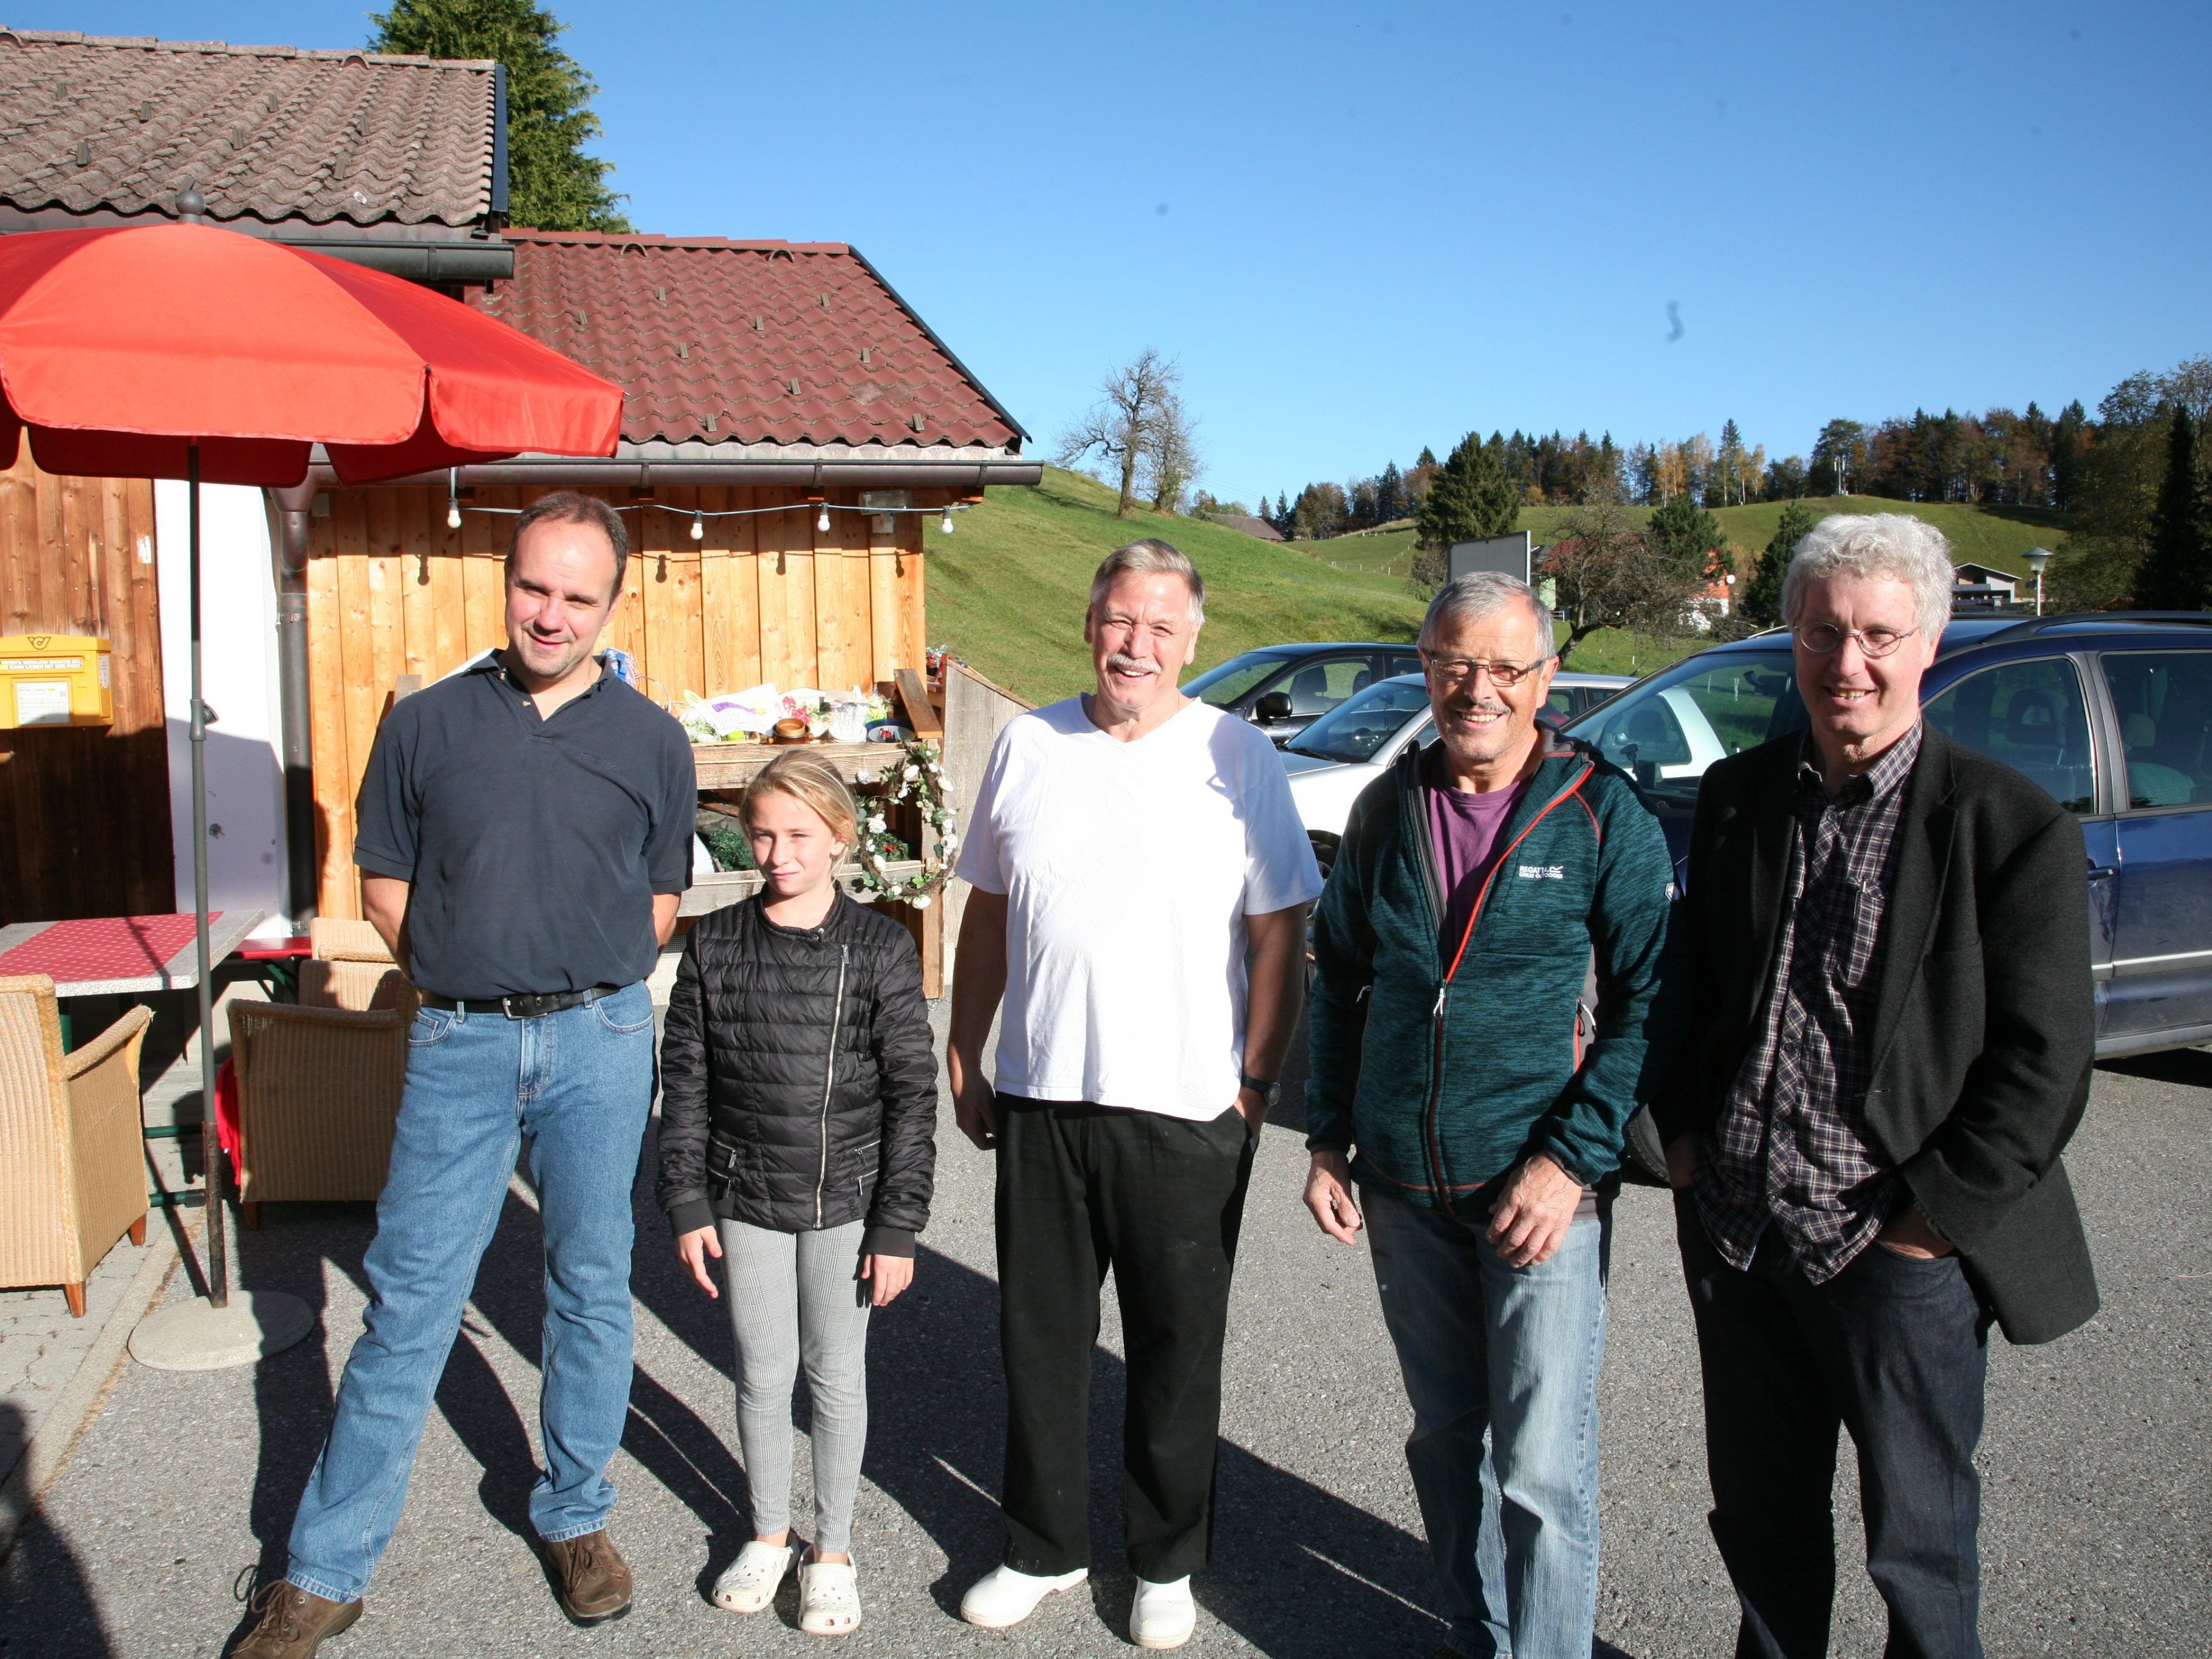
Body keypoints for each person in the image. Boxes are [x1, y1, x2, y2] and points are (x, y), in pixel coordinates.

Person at [235, 492, 697, 1657]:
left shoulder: (651, 740)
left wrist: (585, 982)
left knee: (590, 1288)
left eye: (578, 597)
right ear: (505, 582)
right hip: (460, 1044)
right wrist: (458, 974)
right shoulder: (428, 724)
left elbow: (658, 900)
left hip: (598, 1044)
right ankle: (324, 1570)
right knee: (410, 1306)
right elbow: (383, 878)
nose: (552, 614)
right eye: (534, 587)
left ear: (611, 605)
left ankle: (576, 1515)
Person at [1652, 513, 2098, 1659]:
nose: (1846, 662)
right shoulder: (1742, 796)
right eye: (1820, 632)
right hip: (1742, 1236)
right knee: (1760, 1521)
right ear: (1791, 640)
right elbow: (1687, 987)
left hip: (1897, 1252)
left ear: (1931, 642)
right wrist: (1686, 1146)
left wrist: (1926, 1229)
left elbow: (2043, 1061)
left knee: (1919, 1540)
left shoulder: (2006, 825)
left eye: (1876, 635)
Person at [947, 540, 1323, 1650]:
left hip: (1185, 1109)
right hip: (1045, 1099)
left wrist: (1251, 1090)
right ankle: (1041, 1545)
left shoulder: (1238, 755)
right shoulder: (1029, 744)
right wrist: (967, 1048)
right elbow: (984, 912)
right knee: (1040, 1341)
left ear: (1192, 643)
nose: (1136, 645)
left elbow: (1278, 935)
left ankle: (1165, 1562)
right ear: (1088, 624)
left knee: (1174, 1347)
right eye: (1119, 620)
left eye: (1161, 628)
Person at [1302, 572, 1675, 1659]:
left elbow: (1653, 1003)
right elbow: (1339, 979)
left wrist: (1570, 1162)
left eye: (1504, 668)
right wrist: (1328, 1137)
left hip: (1538, 1195)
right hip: (1406, 1191)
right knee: (1445, 1440)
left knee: (1541, 1468)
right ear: (1423, 668)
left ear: (1545, 677)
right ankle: (1479, 1634)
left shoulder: (1603, 811)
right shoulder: (1386, 808)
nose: (1477, 690)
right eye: (1453, 665)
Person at [657, 750, 938, 1638]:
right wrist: (686, 1202)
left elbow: (910, 1094)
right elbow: (687, 1083)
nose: (779, 854)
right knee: (762, 1373)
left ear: (840, 839)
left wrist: (898, 1224)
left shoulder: (880, 947)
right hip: (744, 1197)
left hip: (847, 1203)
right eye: (764, 835)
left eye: (800, 836)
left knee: (834, 1374)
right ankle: (769, 1532)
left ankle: (834, 1551)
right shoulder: (712, 943)